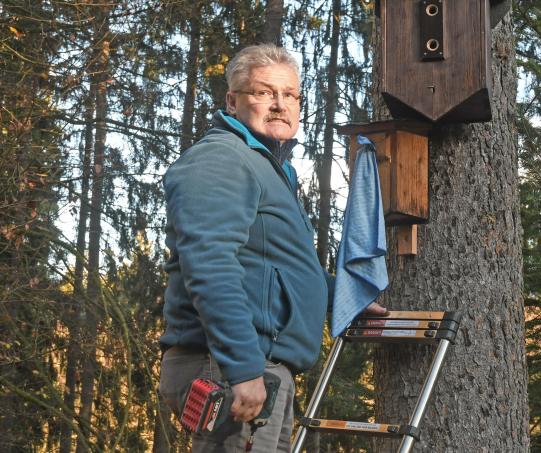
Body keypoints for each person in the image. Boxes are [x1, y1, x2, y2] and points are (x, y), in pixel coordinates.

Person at [158, 44, 384, 453]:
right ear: (232, 100)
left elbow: (272, 266)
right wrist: (242, 369)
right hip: (229, 368)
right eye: (263, 92)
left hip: (259, 369)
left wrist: (341, 296)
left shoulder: (267, 167)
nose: (280, 105)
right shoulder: (221, 160)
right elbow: (209, 265)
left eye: (290, 94)